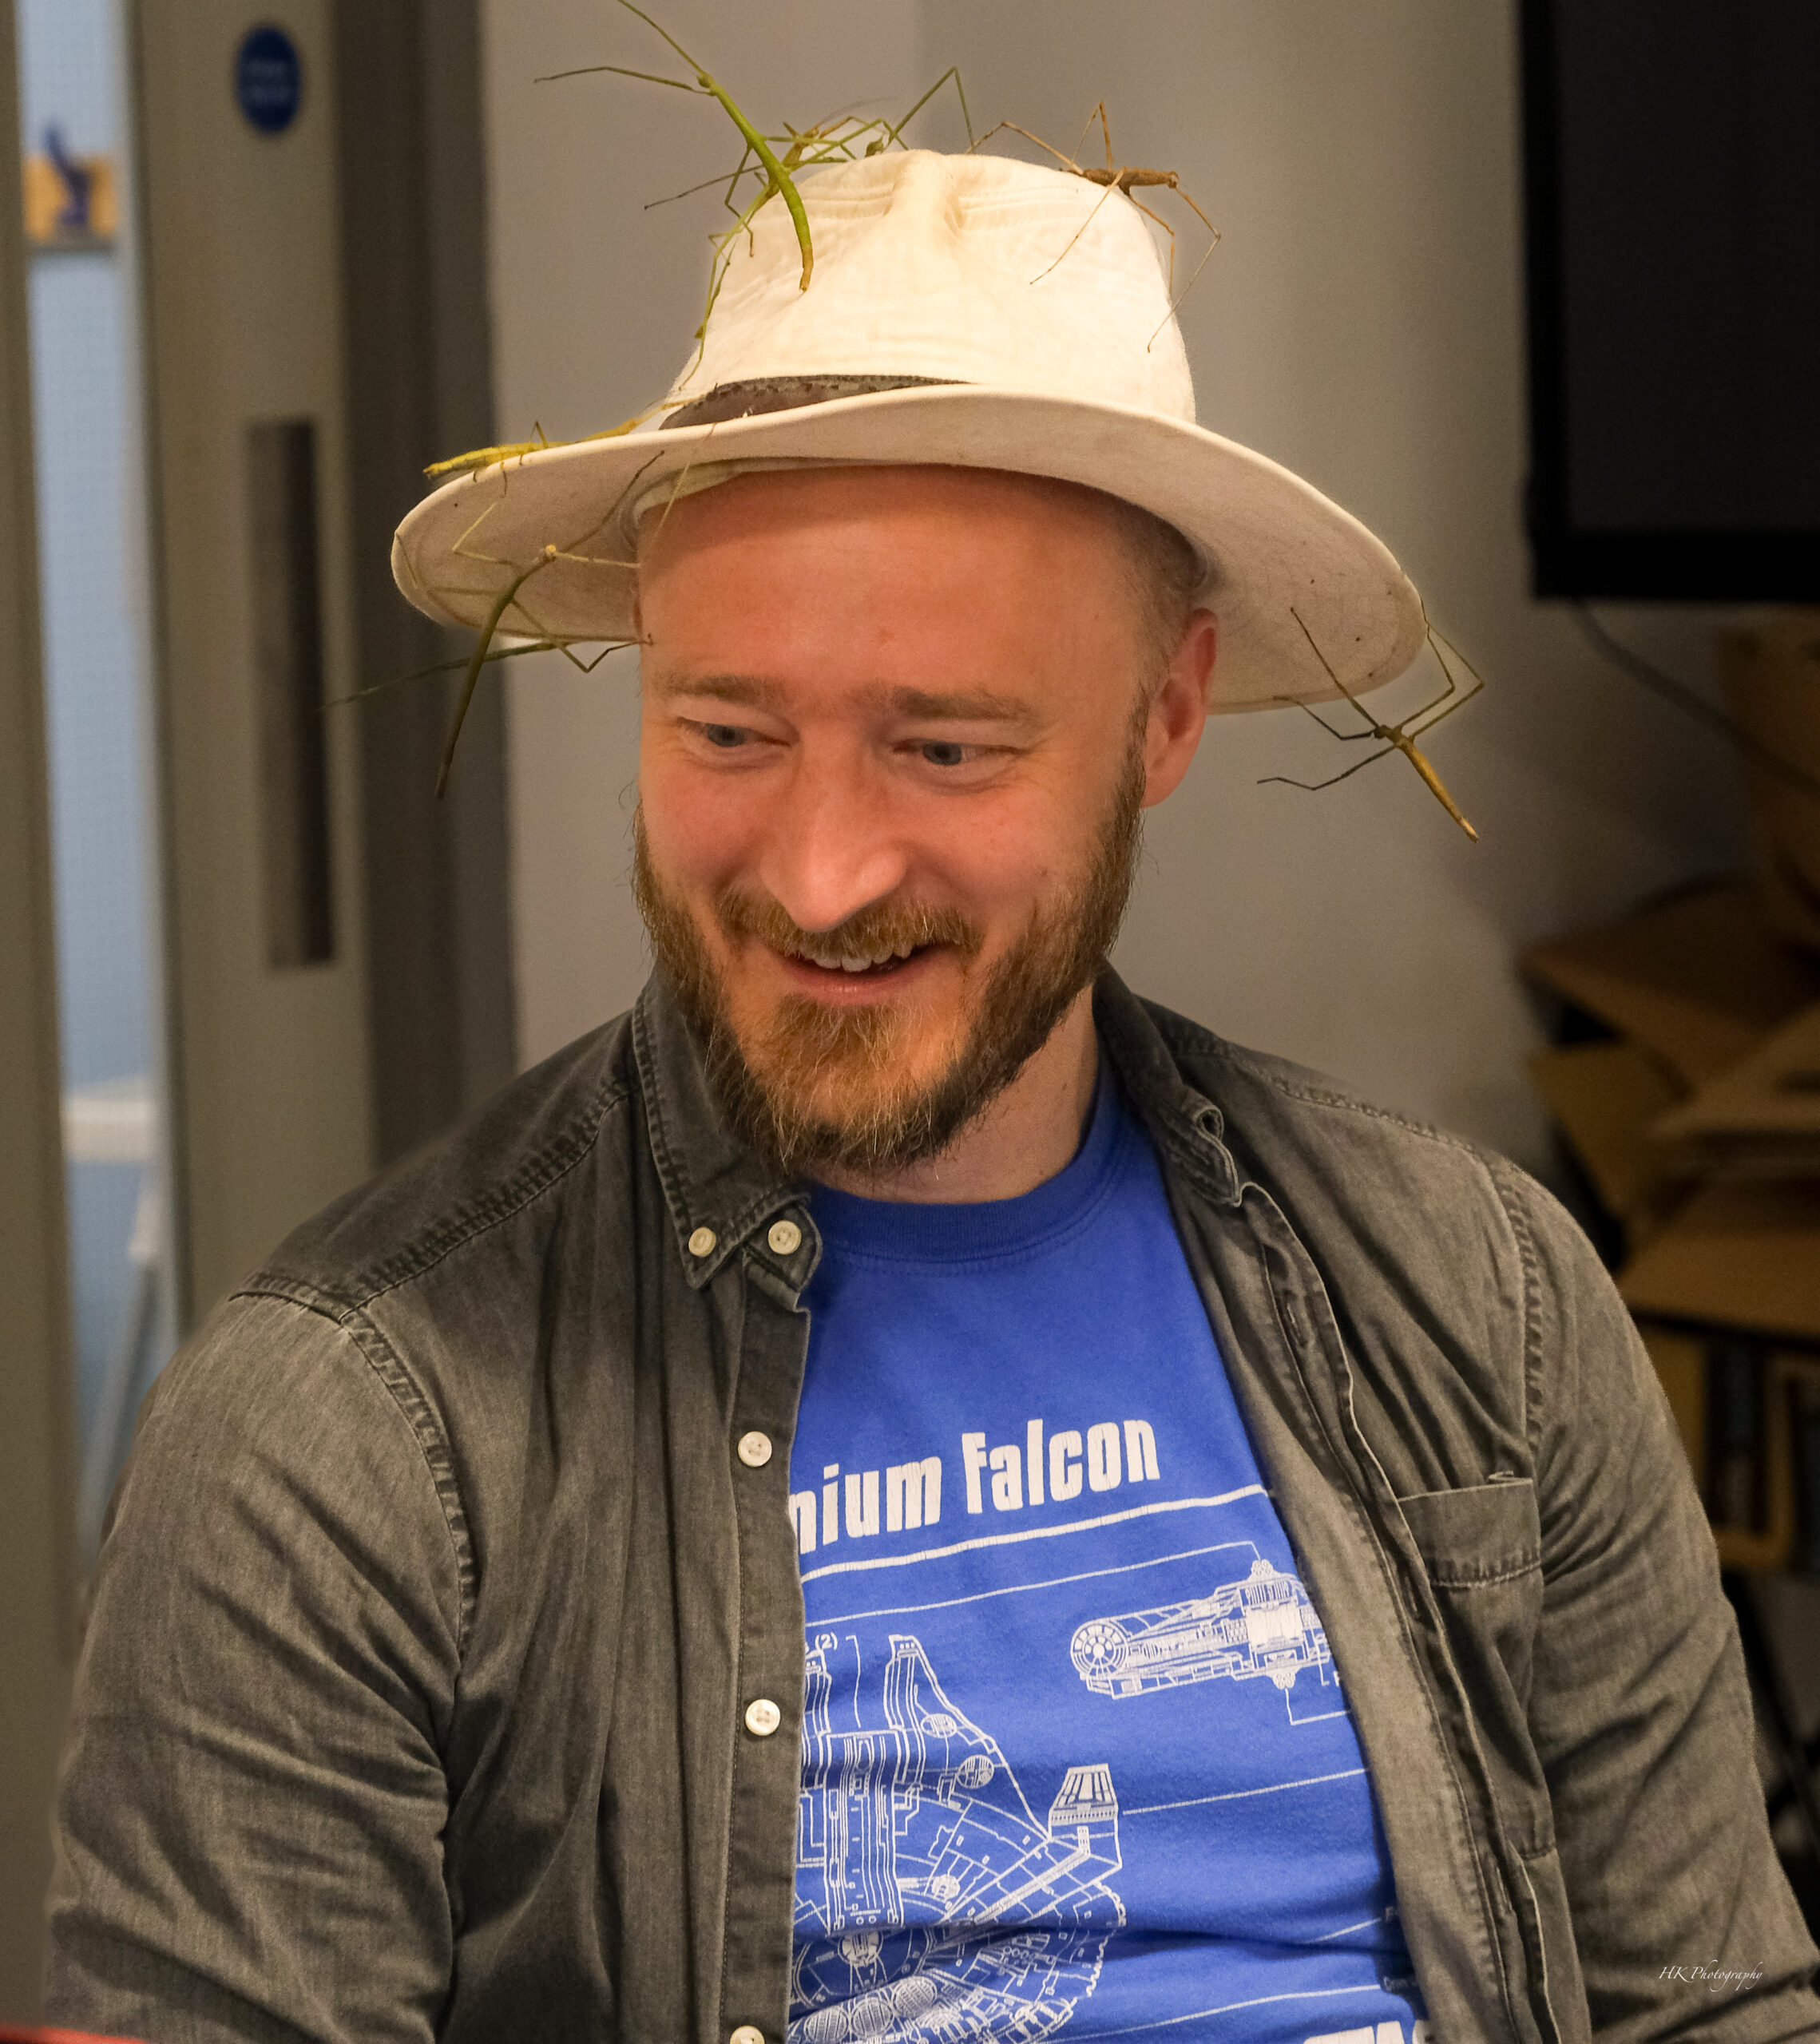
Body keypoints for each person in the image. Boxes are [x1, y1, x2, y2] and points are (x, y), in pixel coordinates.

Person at [46, 148, 1817, 2044]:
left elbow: (1713, 2007)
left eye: (948, 748)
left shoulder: (1482, 1300)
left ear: (1166, 716)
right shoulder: (347, 1437)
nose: (821, 877)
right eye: (729, 730)